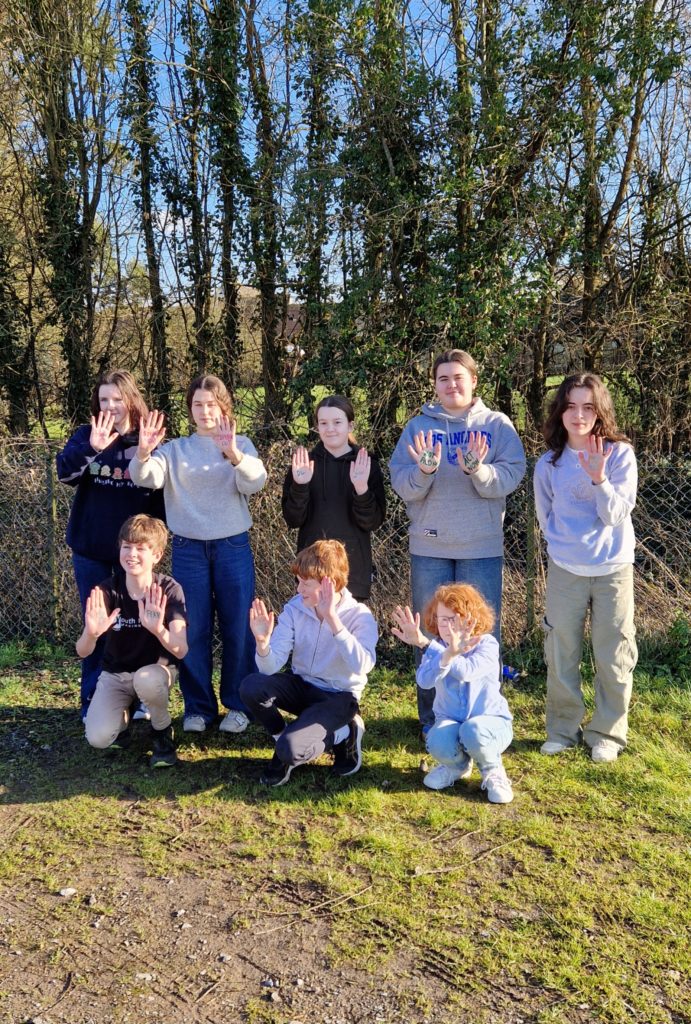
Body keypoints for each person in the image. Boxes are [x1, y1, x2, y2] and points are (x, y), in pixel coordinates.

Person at [389, 349, 526, 734]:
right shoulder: (419, 428)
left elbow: (512, 477)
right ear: (435, 385)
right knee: (432, 633)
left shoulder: (497, 426)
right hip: (430, 547)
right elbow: (404, 487)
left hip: (480, 546)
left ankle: (484, 718)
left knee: (480, 636)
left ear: (473, 382)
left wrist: (479, 471)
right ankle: (433, 720)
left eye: (458, 378)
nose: (451, 385)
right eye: (443, 379)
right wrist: (424, 471)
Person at [130, 375, 267, 734]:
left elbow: (255, 482)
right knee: (192, 628)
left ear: (224, 406)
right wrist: (144, 452)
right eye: (197, 404)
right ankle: (198, 708)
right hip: (189, 548)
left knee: (239, 627)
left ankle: (238, 706)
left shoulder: (241, 444)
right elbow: (146, 478)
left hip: (232, 546)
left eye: (211, 404)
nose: (204, 411)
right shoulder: (175, 450)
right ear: (190, 409)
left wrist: (233, 453)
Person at [534, 373, 638, 763]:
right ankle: (562, 730)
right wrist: (563, 548)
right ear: (560, 410)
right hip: (565, 570)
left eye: (588, 407)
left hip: (613, 568)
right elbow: (545, 519)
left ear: (600, 412)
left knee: (614, 652)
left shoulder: (620, 455)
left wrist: (599, 479)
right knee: (561, 651)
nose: (578, 415)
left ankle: (607, 733)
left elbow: (615, 515)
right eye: (571, 406)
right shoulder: (549, 463)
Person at [57, 369, 165, 719]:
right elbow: (65, 473)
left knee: (140, 625)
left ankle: (142, 702)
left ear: (131, 400)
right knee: (98, 626)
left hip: (134, 558)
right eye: (104, 399)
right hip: (92, 553)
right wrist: (92, 449)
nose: (110, 405)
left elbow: (160, 503)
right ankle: (94, 702)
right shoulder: (87, 435)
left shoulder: (147, 440)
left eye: (117, 399)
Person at [240, 540, 378, 786]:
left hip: (339, 696)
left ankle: (345, 732)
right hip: (302, 686)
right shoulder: (295, 608)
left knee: (292, 750)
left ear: (329, 584)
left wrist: (333, 620)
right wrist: (262, 643)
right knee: (251, 685)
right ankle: (283, 739)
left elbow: (363, 666)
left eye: (306, 583)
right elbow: (269, 668)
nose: (299, 589)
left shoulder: (360, 615)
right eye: (299, 581)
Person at [78, 515, 187, 769]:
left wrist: (158, 629)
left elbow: (181, 650)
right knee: (98, 738)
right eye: (127, 547)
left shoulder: (169, 589)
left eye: (141, 549)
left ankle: (162, 732)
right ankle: (123, 719)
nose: (132, 554)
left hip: (155, 673)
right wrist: (92, 634)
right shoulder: (107, 590)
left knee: (146, 680)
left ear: (157, 555)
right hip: (116, 674)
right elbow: (82, 650)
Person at [392, 584, 514, 803]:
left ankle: (492, 770)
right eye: (442, 619)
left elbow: (467, 671)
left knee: (473, 730)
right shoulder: (436, 647)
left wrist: (429, 646)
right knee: (436, 739)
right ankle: (456, 767)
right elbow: (424, 681)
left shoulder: (487, 644)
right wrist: (442, 654)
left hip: (491, 725)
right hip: (451, 723)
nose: (447, 626)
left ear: (471, 618)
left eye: (454, 619)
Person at [281, 395, 386, 601]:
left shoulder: (366, 463)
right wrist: (300, 486)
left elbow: (373, 521)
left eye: (337, 422)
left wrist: (361, 488)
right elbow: (292, 519)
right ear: (317, 427)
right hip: (311, 572)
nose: (330, 429)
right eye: (323, 423)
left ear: (350, 425)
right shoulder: (304, 464)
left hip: (352, 572)